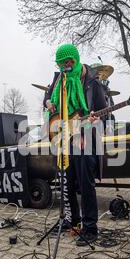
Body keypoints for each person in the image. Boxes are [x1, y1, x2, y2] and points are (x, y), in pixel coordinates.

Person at [45, 44, 107, 246]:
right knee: (67, 183)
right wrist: (48, 103)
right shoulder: (58, 79)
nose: (65, 67)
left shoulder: (92, 82)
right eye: (61, 64)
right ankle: (72, 221)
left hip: (85, 140)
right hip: (63, 138)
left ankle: (90, 227)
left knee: (85, 184)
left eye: (68, 62)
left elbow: (105, 113)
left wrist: (93, 122)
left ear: (75, 59)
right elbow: (47, 97)